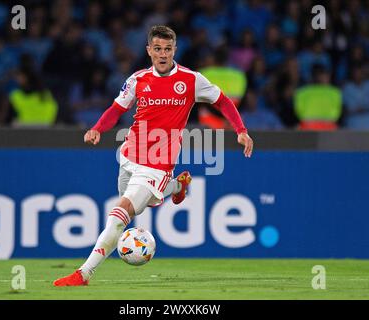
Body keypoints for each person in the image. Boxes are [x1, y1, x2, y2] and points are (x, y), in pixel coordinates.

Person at [53, 26, 253, 286]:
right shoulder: (137, 80)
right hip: (128, 154)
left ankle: (83, 274)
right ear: (149, 50)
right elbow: (116, 109)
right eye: (157, 49)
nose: (162, 54)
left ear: (174, 50)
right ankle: (177, 186)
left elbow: (223, 101)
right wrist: (97, 129)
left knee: (119, 214)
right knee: (141, 203)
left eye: (167, 49)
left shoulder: (191, 80)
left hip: (157, 164)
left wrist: (241, 130)